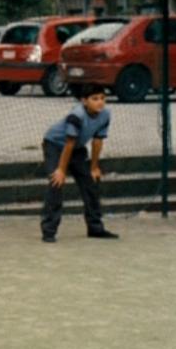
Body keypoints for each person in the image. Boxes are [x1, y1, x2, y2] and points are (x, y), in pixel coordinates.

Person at [40, 83, 120, 243]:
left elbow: (97, 141)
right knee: (56, 183)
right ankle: (49, 230)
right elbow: (68, 143)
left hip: (77, 149)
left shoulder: (105, 114)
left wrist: (94, 167)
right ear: (84, 101)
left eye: (102, 98)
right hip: (55, 145)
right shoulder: (76, 115)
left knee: (90, 183)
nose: (100, 102)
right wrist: (61, 170)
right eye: (95, 99)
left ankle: (95, 228)